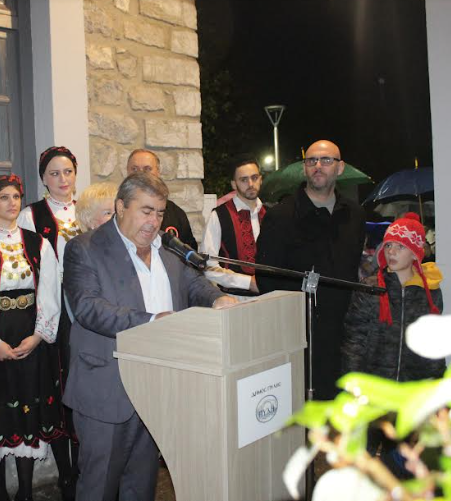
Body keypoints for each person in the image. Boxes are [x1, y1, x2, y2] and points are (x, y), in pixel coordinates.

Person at [63, 172, 237, 501]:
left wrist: (218, 299)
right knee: (99, 488)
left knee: (141, 486)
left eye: (159, 213)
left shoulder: (167, 248)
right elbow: (87, 307)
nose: (154, 221)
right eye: (146, 211)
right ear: (120, 207)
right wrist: (154, 321)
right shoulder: (85, 248)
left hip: (157, 389)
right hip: (107, 389)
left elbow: (194, 284)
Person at [0, 174, 74, 501]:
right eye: (4, 197)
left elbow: (49, 293)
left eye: (16, 197)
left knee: (27, 412)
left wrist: (38, 336)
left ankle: (25, 492)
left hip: (29, 335)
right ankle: (1, 494)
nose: (12, 203)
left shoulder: (38, 243)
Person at [255, 139, 365, 401]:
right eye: (311, 160)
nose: (318, 166)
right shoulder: (280, 217)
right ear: (304, 168)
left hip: (342, 335)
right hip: (296, 335)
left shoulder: (355, 215)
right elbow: (266, 278)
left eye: (326, 160)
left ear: (340, 168)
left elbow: (352, 268)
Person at [342, 213, 444, 477]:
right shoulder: (370, 288)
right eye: (388, 245)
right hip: (374, 390)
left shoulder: (429, 292)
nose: (392, 252)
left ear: (415, 253)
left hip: (410, 392)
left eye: (400, 246)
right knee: (362, 462)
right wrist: (352, 385)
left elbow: (434, 343)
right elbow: (354, 339)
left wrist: (436, 387)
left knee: (402, 463)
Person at [18, 146, 80, 488]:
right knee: (56, 384)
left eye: (67, 171)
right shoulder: (31, 215)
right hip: (52, 308)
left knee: (82, 381)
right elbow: (28, 268)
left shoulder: (85, 208)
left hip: (84, 306)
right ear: (43, 178)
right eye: (54, 173)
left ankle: (83, 465)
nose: (62, 179)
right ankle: (65, 472)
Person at [201, 155, 264, 294]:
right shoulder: (219, 215)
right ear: (234, 184)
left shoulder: (270, 215)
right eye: (243, 180)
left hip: (272, 297)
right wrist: (248, 282)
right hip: (235, 299)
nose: (250, 184)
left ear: (261, 179)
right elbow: (207, 265)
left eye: (254, 178)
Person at [126, 149, 198, 250]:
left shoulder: (176, 213)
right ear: (127, 172)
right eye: (134, 169)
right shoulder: (118, 210)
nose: (140, 174)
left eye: (147, 169)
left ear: (158, 172)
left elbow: (189, 252)